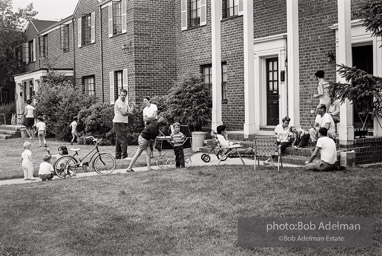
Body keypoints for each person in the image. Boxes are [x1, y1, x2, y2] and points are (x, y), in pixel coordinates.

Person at [113, 89, 134, 159]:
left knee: (119, 139)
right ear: (120, 94)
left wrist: (133, 106)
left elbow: (130, 110)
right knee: (123, 139)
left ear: (126, 95)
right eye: (121, 95)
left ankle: (118, 156)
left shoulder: (125, 102)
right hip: (118, 122)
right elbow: (124, 113)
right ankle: (124, 156)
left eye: (124, 95)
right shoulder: (118, 102)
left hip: (124, 122)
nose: (123, 96)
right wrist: (130, 113)